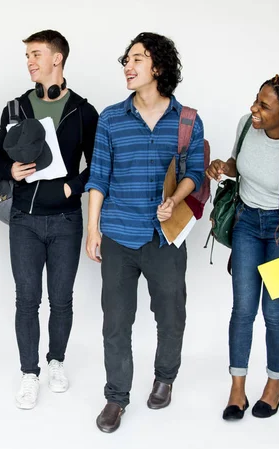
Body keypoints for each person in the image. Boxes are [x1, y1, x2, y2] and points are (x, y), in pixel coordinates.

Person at [85, 32, 205, 433]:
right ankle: (116, 398)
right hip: (119, 233)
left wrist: (177, 198)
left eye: (137, 59)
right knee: (116, 321)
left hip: (165, 238)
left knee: (171, 315)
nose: (128, 66)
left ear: (159, 67)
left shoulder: (187, 119)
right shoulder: (111, 118)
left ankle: (165, 377)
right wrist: (92, 229)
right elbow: (98, 177)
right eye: (125, 60)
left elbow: (194, 173)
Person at [0, 30, 98, 409]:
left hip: (67, 220)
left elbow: (99, 167)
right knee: (26, 300)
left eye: (36, 54)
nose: (30, 62)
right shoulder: (16, 108)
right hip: (24, 219)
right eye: (27, 56)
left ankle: (56, 362)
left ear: (58, 59)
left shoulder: (83, 112)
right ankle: (29, 372)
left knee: (62, 300)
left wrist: (74, 187)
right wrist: (11, 170)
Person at [206, 72, 279, 420]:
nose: (253, 108)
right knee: (242, 309)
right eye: (256, 99)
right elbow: (237, 166)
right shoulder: (247, 126)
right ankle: (237, 387)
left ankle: (274, 385)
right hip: (245, 224)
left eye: (263, 105)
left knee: (274, 313)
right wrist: (221, 167)